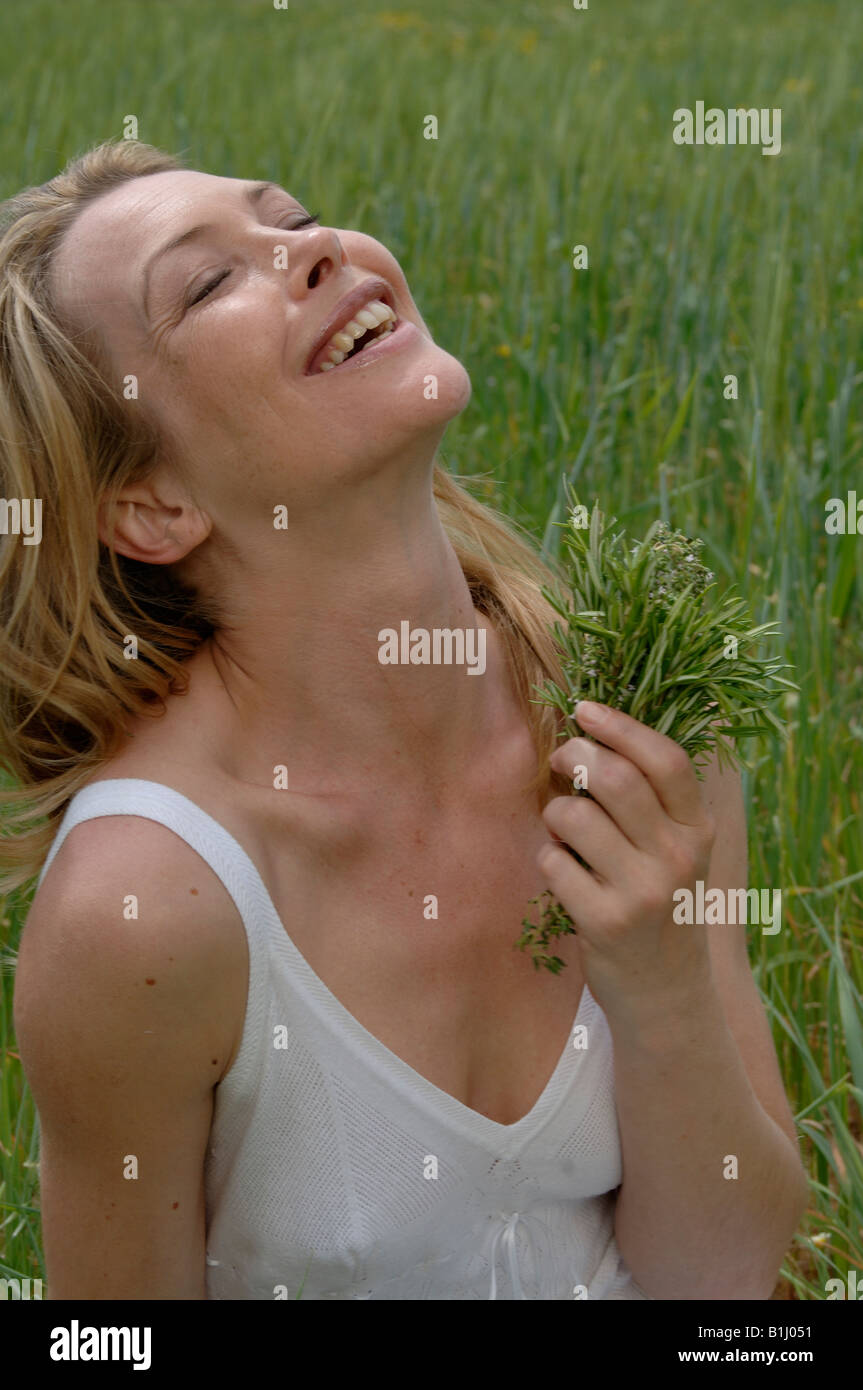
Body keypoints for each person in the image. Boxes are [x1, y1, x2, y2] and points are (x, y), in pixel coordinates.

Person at [3, 140, 807, 1300]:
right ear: (151, 505)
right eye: (207, 283)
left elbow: (721, 1278)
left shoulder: (633, 714)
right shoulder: (146, 909)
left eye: (290, 215)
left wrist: (664, 976)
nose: (311, 247)